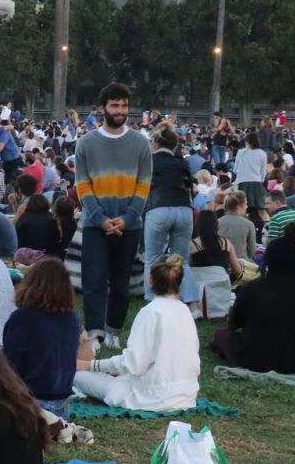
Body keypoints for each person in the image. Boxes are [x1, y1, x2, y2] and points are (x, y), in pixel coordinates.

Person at [74, 82, 152, 349]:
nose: (120, 110)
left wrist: (128, 218)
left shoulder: (141, 143)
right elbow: (82, 185)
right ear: (103, 108)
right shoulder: (86, 143)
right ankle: (94, 332)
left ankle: (113, 330)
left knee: (121, 283)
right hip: (96, 224)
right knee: (93, 280)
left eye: (124, 105)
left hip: (129, 226)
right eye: (115, 105)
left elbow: (144, 184)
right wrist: (100, 218)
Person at [72, 256, 200, 412]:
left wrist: (87, 365)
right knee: (115, 374)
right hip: (186, 394)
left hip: (152, 397)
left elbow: (134, 364)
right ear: (179, 282)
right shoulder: (185, 310)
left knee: (76, 375)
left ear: (150, 280)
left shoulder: (150, 312)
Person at [212, 235, 295, 374]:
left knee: (222, 335)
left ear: (268, 260)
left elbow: (234, 324)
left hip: (258, 360)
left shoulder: (252, 289)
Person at [1, 257, 82, 419]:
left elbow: (11, 365)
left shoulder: (21, 318)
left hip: (28, 401)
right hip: (61, 404)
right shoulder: (73, 319)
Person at [142, 125, 196, 301]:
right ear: (174, 145)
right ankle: (189, 302)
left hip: (158, 208)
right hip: (184, 209)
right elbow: (191, 189)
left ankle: (152, 297)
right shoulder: (182, 163)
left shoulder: (149, 161)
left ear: (155, 142)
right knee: (182, 260)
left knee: (152, 258)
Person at [13, 193, 64, 258]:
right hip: (48, 255)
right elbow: (57, 238)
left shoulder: (24, 217)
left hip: (26, 254)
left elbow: (18, 238)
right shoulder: (52, 218)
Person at [233, 131, 268, 211]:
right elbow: (263, 171)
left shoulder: (241, 152)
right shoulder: (263, 154)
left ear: (247, 141)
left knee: (242, 208)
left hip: (243, 182)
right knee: (260, 209)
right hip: (257, 183)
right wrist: (261, 179)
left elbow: (235, 169)